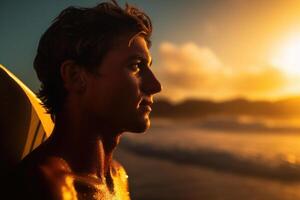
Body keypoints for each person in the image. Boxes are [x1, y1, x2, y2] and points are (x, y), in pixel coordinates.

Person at [7, 1, 161, 199]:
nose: (156, 85)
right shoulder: (48, 187)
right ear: (75, 76)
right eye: (135, 66)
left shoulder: (118, 175)